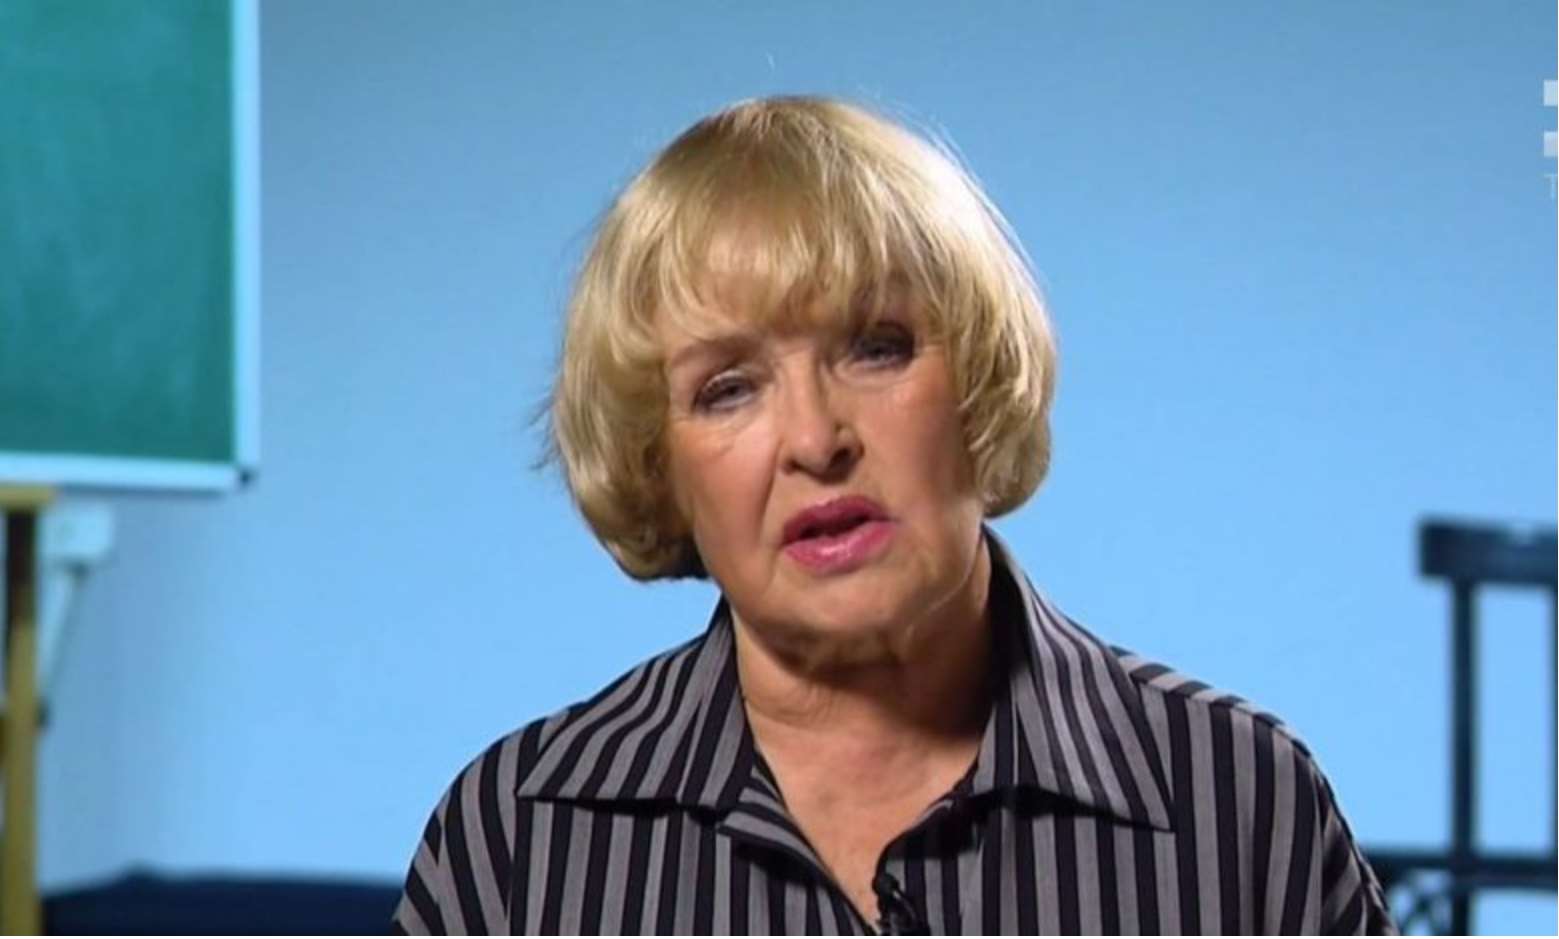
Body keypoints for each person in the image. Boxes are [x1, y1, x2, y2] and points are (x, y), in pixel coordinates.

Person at [392, 96, 1395, 935]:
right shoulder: (519, 839)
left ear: (977, 384)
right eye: (727, 388)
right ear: (662, 469)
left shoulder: (1238, 802)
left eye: (875, 347)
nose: (814, 438)